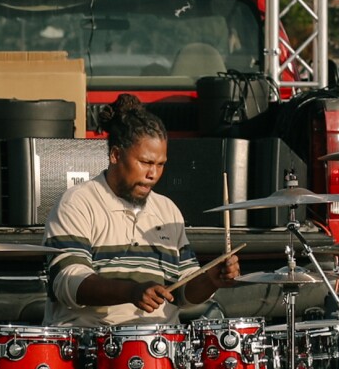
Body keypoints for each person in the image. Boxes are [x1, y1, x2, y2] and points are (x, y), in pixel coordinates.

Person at [45, 96, 239, 324]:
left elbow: (182, 294)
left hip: (161, 348)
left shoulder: (168, 210)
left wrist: (210, 280)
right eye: (146, 163)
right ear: (115, 155)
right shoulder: (78, 202)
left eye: (161, 164)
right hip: (93, 345)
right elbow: (68, 281)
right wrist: (131, 292)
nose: (153, 174)